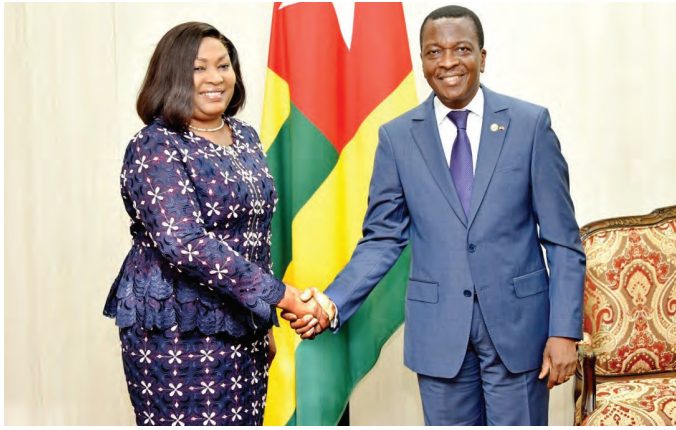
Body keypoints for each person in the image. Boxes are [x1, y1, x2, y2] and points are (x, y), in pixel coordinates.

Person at [284, 5, 586, 426]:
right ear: (422, 60)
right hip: (439, 334)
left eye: (461, 48)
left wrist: (565, 330)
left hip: (520, 331)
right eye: (433, 52)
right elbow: (383, 239)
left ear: (482, 57)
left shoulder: (529, 124)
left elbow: (563, 241)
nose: (447, 62)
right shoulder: (396, 137)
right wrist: (333, 302)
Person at [103, 22, 328, 426]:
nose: (215, 78)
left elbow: (257, 235)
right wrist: (284, 297)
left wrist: (265, 320)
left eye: (223, 65)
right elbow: (186, 243)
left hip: (243, 327)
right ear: (172, 74)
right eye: (198, 68)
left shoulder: (246, 136)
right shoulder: (154, 145)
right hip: (177, 329)